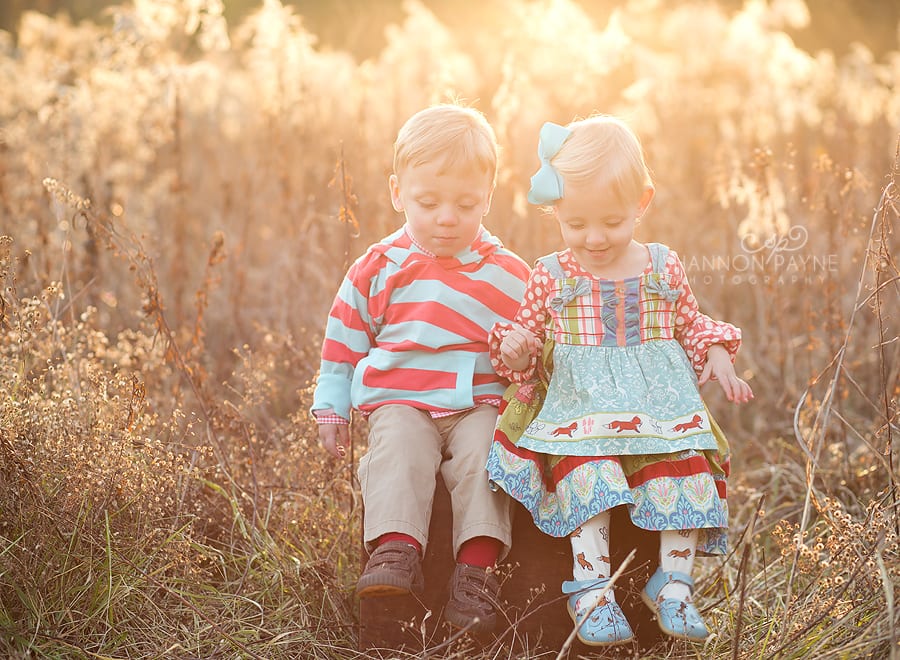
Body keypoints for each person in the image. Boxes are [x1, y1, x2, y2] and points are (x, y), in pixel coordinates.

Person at [485, 116, 753, 646]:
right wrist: (516, 346)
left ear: (641, 203)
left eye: (611, 221)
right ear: (556, 211)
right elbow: (526, 335)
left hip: (659, 408)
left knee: (687, 471)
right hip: (581, 411)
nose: (594, 237)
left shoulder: (661, 266)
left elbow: (690, 322)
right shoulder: (552, 274)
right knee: (591, 479)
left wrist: (718, 354)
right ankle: (591, 590)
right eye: (576, 223)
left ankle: (673, 582)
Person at [311, 103, 530, 634]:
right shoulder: (379, 266)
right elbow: (343, 341)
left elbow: (537, 344)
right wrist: (331, 404)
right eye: (427, 203)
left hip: (478, 402)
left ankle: (476, 570)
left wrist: (528, 353)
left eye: (465, 204)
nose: (446, 217)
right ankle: (396, 551)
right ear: (397, 193)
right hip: (401, 399)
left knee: (487, 455)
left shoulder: (509, 275)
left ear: (488, 197)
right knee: (398, 448)